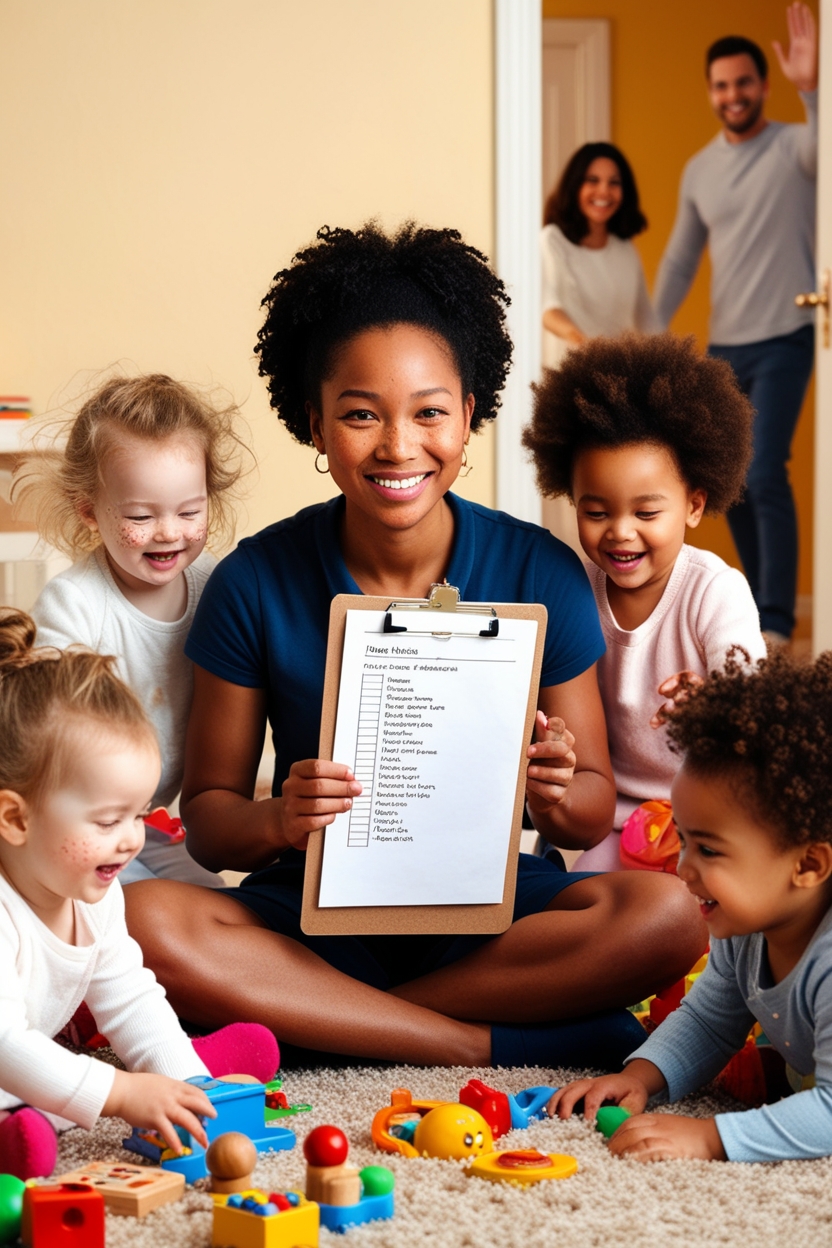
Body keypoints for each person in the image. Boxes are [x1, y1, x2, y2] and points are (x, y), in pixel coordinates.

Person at [124, 222, 705, 1070]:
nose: (399, 445)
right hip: (312, 913)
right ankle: (472, 1042)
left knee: (669, 915)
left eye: (430, 412)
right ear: (315, 425)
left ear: (469, 416)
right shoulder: (254, 581)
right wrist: (280, 817)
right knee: (147, 921)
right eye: (360, 415)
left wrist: (550, 789)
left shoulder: (537, 567)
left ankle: (328, 1024)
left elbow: (588, 807)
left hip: (485, 913)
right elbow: (210, 825)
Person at [0, 610, 278, 1182]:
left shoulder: (95, 894)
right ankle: (19, 1132)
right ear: (14, 818)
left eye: (137, 813)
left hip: (24, 1058)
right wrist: (122, 1092)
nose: (130, 840)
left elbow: (128, 994)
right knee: (45, 1094)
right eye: (107, 821)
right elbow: (6, 1044)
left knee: (112, 1068)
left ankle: (196, 1068)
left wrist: (189, 1088)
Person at [548, 647, 832, 1163]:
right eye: (683, 840)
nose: (682, 868)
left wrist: (711, 1137)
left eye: (709, 849)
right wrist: (639, 1078)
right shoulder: (747, 929)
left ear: (808, 865)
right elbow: (708, 1018)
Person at [522, 333, 767, 872]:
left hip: (709, 820)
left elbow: (752, 705)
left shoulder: (713, 591)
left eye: (647, 513)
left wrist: (711, 706)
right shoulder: (572, 587)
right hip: (616, 823)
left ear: (694, 506)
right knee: (587, 902)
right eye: (597, 512)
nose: (620, 533)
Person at [14, 373, 248, 885]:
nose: (168, 532)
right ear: (88, 511)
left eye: (190, 511)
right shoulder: (74, 602)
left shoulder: (216, 582)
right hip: (77, 818)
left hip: (152, 820)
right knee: (110, 915)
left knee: (218, 904)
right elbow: (49, 731)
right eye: (140, 516)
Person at [654, 3, 818, 645]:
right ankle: (753, 611)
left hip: (788, 335)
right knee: (736, 482)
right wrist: (648, 328)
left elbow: (822, 137)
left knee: (766, 468)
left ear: (762, 86)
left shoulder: (797, 147)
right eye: (720, 85)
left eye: (743, 82)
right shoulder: (701, 169)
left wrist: (811, 88)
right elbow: (678, 260)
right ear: (711, 92)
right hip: (727, 346)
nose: (732, 95)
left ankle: (777, 620)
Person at [541, 142, 658, 368]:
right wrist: (584, 344)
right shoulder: (552, 240)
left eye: (614, 183)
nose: (604, 191)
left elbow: (647, 321)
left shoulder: (625, 248)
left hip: (618, 375)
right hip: (569, 373)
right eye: (592, 180)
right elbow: (548, 309)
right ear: (574, 186)